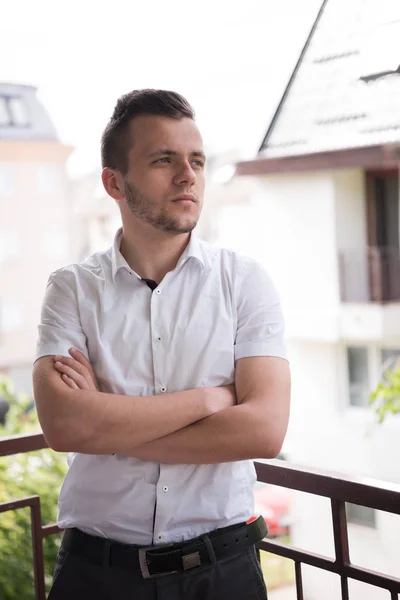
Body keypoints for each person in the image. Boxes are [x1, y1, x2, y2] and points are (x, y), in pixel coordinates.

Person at [33, 89, 291, 600]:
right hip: (97, 575)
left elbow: (264, 429)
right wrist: (208, 401)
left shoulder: (245, 282)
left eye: (196, 160)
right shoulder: (72, 288)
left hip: (224, 572)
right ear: (114, 182)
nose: (188, 175)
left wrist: (105, 426)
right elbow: (63, 425)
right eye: (163, 160)